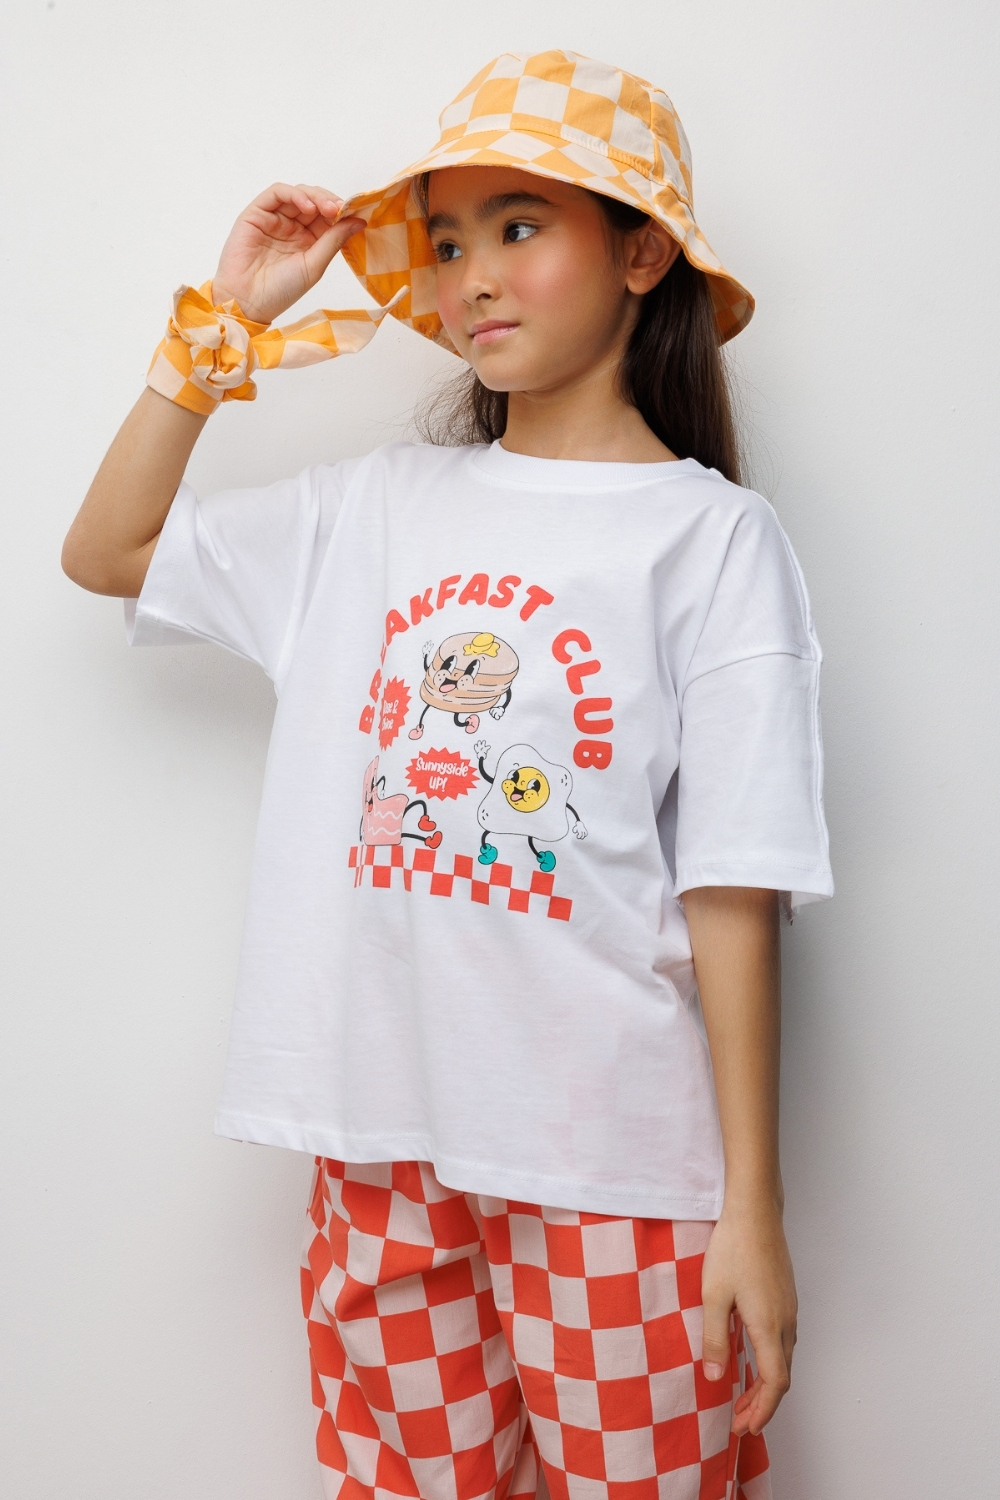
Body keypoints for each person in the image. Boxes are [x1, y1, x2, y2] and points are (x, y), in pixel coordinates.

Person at [62, 50, 832, 1500]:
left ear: (643, 253)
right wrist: (221, 325)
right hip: (382, 1153)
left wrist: (754, 1207)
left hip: (612, 1170)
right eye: (450, 239)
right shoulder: (374, 511)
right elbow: (107, 551)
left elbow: (738, 880)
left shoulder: (712, 540)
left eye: (520, 226)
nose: (473, 275)